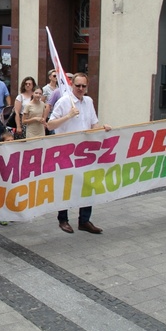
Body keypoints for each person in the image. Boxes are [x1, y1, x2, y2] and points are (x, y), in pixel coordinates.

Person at [47, 72, 111, 234]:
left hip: (85, 150)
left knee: (88, 184)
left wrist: (103, 128)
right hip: (66, 151)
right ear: (72, 86)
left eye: (84, 86)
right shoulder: (63, 102)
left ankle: (84, 220)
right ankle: (63, 219)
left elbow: (93, 124)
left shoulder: (88, 101)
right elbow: (50, 125)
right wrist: (68, 116)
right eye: (78, 86)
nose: (81, 89)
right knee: (67, 185)